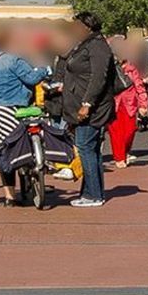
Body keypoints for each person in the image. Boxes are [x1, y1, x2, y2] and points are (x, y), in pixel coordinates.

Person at [0, 32, 48, 204]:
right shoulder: (14, 60)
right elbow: (32, 78)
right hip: (7, 110)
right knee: (7, 152)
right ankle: (10, 196)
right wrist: (43, 68)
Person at [60, 11, 115, 207]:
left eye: (76, 25)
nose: (73, 29)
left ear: (86, 26)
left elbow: (98, 77)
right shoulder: (85, 45)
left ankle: (93, 194)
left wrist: (87, 103)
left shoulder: (97, 46)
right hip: (82, 105)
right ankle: (92, 192)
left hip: (93, 108)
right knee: (90, 150)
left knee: (85, 148)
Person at [108, 48, 148, 168]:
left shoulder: (132, 69)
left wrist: (143, 103)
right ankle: (119, 157)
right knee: (115, 133)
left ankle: (124, 152)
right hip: (113, 104)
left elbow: (139, 86)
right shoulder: (110, 69)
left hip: (129, 104)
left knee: (130, 131)